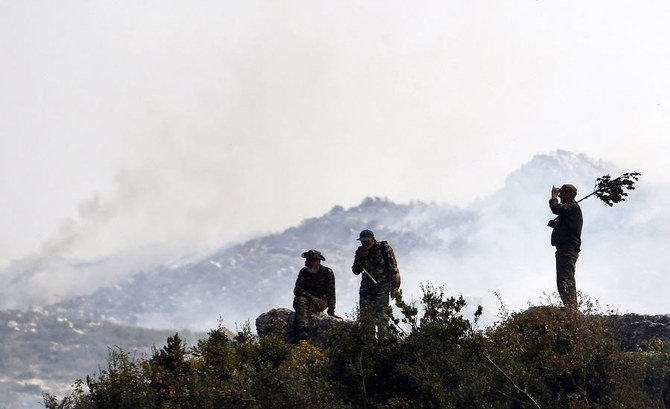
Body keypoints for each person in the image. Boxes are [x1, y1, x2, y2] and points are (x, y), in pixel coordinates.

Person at [351, 229, 401, 335]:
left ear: (373, 240)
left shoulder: (384, 249)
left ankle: (383, 346)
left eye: (366, 242)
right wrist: (360, 258)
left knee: (382, 320)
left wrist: (395, 287)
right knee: (366, 321)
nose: (364, 244)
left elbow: (393, 268)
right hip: (366, 291)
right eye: (362, 242)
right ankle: (369, 347)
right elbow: (355, 271)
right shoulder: (360, 252)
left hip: (381, 290)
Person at [548, 184, 583, 309]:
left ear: (568, 194)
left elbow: (556, 208)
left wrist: (553, 197)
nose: (560, 195)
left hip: (567, 249)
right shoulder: (570, 209)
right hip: (566, 249)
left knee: (565, 280)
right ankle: (571, 308)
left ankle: (572, 310)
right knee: (564, 279)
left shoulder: (572, 207)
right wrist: (556, 225)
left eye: (561, 193)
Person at [292, 249, 336, 341]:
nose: (306, 262)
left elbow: (331, 293)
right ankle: (303, 331)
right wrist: (314, 298)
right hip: (307, 300)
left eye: (309, 260)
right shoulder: (303, 272)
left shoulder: (327, 272)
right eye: (306, 260)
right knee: (300, 300)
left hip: (320, 304)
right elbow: (297, 290)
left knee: (303, 308)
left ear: (316, 262)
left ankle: (300, 334)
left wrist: (331, 311)